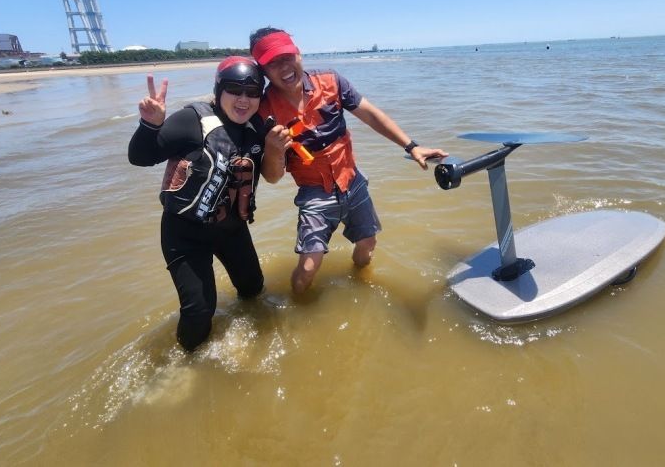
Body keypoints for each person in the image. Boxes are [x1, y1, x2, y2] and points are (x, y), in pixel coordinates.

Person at [251, 27, 448, 294]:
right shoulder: (264, 111)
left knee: (367, 245)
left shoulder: (331, 82)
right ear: (263, 72)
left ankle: (361, 288)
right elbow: (272, 177)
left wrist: (411, 146)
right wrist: (273, 150)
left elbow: (370, 114)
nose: (283, 66)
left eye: (287, 56)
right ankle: (298, 313)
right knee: (308, 269)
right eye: (272, 63)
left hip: (352, 181)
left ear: (299, 53)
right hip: (314, 194)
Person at [128, 57, 282, 351]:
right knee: (199, 310)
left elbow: (272, 174)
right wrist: (150, 126)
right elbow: (140, 157)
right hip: (185, 235)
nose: (243, 99)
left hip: (232, 230)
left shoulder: (258, 127)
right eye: (234, 90)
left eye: (252, 93)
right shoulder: (191, 120)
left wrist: (276, 148)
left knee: (253, 289)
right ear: (218, 89)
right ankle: (186, 364)